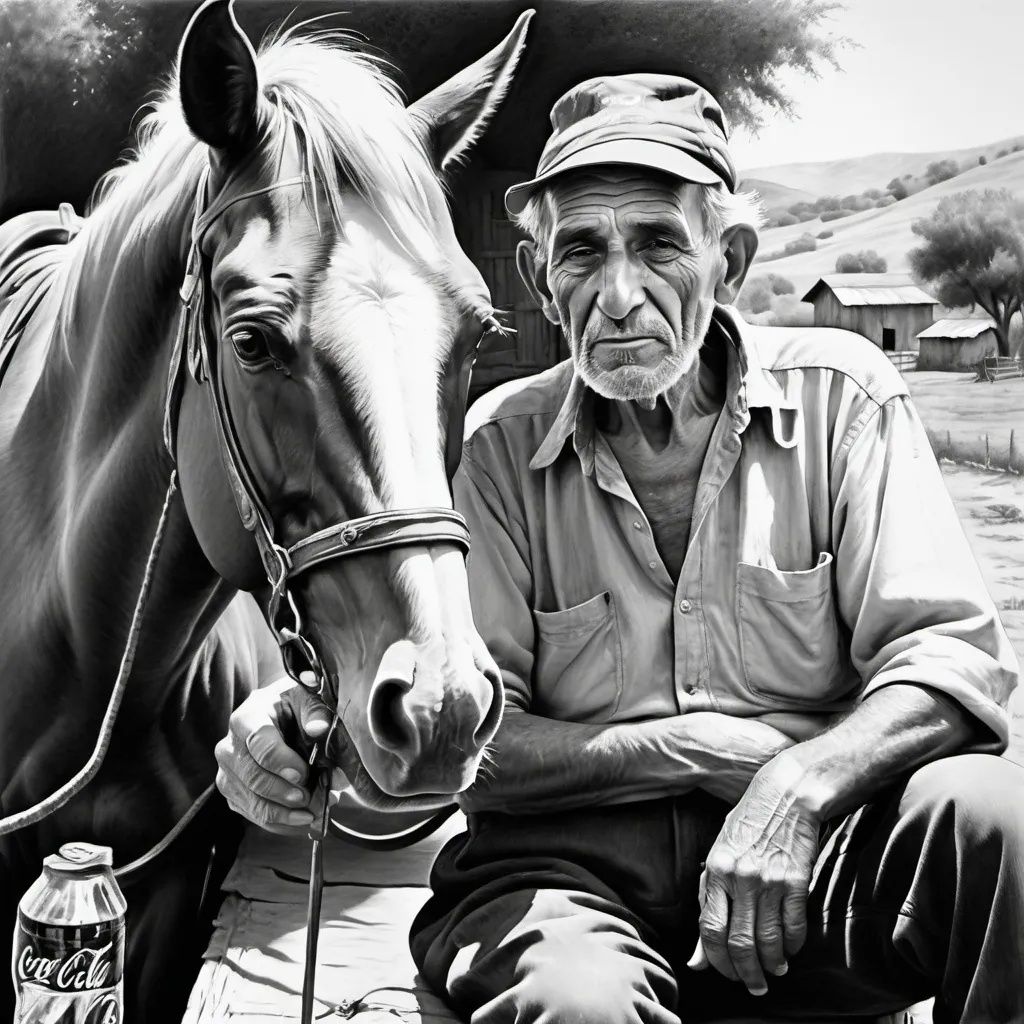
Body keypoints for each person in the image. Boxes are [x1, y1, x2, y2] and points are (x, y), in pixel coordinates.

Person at [215, 75, 1024, 1023]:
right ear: (538, 281)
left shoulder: (846, 397)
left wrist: (797, 788)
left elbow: (948, 661)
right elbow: (484, 733)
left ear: (729, 258)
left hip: (818, 854)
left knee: (1000, 828)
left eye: (658, 244)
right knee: (577, 1005)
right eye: (583, 252)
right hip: (565, 877)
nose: (620, 293)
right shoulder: (495, 448)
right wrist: (691, 748)